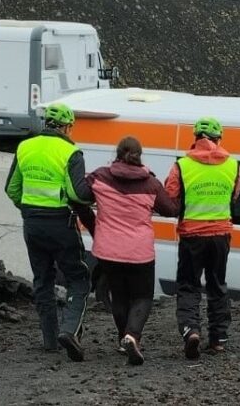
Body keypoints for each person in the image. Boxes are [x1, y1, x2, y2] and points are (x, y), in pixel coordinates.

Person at [4, 103, 92, 362]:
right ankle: (70, 330)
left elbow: (11, 189)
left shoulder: (25, 147)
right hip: (61, 223)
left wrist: (28, 209)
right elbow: (78, 194)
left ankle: (50, 340)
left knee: (42, 279)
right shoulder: (71, 152)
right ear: (66, 126)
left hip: (32, 223)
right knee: (79, 277)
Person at [85, 136, 178, 365]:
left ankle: (121, 339)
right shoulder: (151, 184)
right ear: (140, 155)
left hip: (108, 250)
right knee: (143, 296)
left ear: (117, 153)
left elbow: (79, 195)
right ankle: (132, 335)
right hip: (139, 251)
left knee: (119, 296)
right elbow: (170, 210)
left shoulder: (99, 177)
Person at [164, 117, 240, 359]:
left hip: (191, 236)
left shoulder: (182, 166)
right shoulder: (233, 165)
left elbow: (170, 198)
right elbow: (234, 197)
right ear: (219, 139)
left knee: (188, 286)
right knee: (218, 285)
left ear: (195, 138)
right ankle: (218, 339)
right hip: (221, 235)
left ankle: (191, 331)